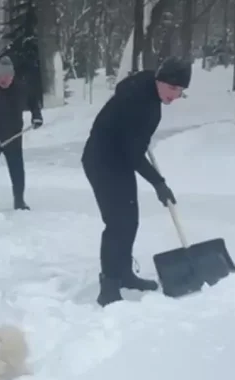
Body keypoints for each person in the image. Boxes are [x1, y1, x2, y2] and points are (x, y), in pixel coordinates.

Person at [81, 57, 192, 307]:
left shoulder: (150, 95)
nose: (176, 95)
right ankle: (108, 287)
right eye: (173, 88)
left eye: (181, 90)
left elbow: (134, 147)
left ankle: (124, 274)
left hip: (120, 160)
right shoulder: (138, 103)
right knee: (117, 223)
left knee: (130, 220)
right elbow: (133, 153)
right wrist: (158, 183)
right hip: (102, 160)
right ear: (160, 81)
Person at [0, 55, 43, 213]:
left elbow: (33, 101)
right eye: (0, 76)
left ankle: (19, 201)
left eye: (6, 76)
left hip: (13, 137)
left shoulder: (21, 89)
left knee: (17, 171)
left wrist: (37, 115)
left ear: (12, 76)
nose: (3, 80)